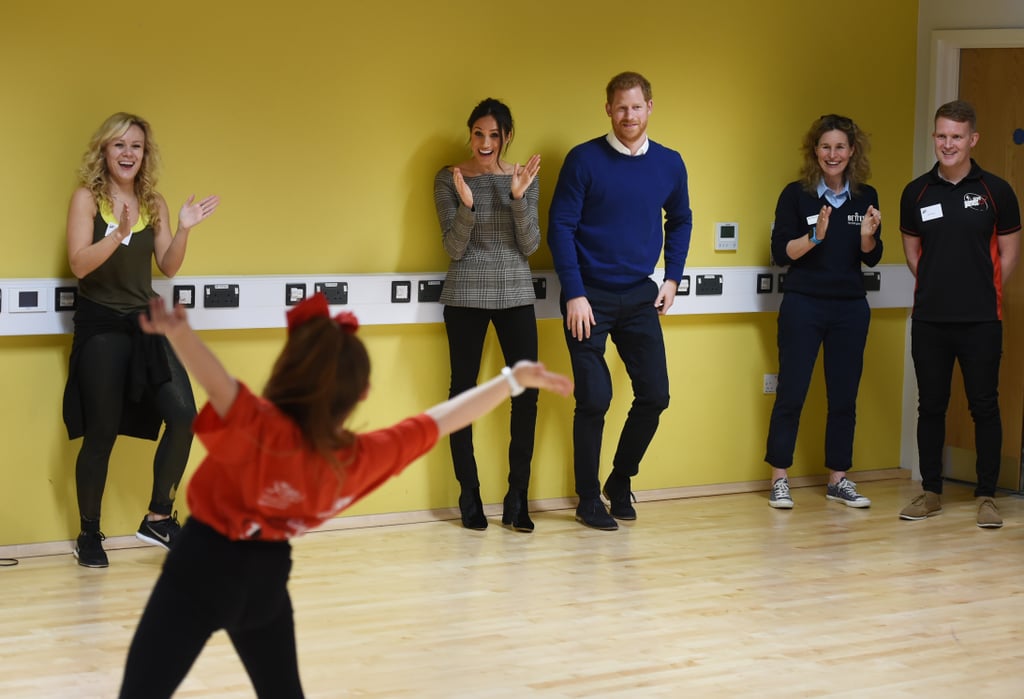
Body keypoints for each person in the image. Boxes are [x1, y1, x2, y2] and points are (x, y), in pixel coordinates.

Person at [117, 293, 572, 698]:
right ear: (358, 395)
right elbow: (441, 420)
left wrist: (179, 333)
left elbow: (219, 386)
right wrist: (511, 380)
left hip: (200, 569)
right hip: (264, 582)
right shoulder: (355, 460)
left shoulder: (260, 427)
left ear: (285, 372)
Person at [62, 112, 220, 568]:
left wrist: (185, 227)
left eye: (136, 146)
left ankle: (158, 516)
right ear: (104, 152)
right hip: (101, 323)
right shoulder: (86, 199)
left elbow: (168, 267)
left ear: (143, 154)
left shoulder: (154, 202)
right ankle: (89, 533)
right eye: (119, 145)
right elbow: (78, 264)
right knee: (102, 433)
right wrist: (119, 235)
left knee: (186, 416)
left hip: (145, 319)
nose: (128, 153)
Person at [547, 71, 692, 530]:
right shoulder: (583, 160)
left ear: (650, 107)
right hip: (588, 296)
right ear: (607, 109)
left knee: (656, 394)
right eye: (620, 107)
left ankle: (620, 480)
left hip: (639, 296)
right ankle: (588, 499)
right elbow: (560, 228)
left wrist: (672, 279)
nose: (629, 115)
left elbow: (682, 220)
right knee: (595, 398)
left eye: (636, 106)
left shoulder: (669, 163)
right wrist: (573, 293)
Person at [898, 100, 1021, 528]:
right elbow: (913, 254)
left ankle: (986, 494)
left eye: (956, 136)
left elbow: (1008, 255)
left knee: (984, 406)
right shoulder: (916, 192)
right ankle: (930, 491)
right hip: (930, 318)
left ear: (973, 139)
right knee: (930, 406)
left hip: (982, 319)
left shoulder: (996, 191)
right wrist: (938, 285)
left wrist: (976, 289)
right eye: (941, 136)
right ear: (934, 137)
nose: (947, 144)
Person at [433, 98, 543, 532]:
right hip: (465, 294)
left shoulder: (524, 178)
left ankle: (518, 498)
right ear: (471, 133)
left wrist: (517, 196)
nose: (484, 143)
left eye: (494, 135)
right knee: (464, 394)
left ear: (507, 136)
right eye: (478, 134)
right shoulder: (450, 178)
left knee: (526, 396)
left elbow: (530, 245)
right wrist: (467, 206)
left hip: (515, 291)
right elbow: (454, 248)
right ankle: (469, 493)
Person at [764, 114, 883, 510]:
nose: (833, 154)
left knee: (844, 396)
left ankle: (838, 479)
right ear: (815, 151)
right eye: (826, 146)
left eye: (840, 147)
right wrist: (816, 236)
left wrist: (867, 238)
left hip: (850, 307)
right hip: (804, 304)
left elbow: (872, 255)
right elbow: (781, 254)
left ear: (852, 152)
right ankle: (780, 476)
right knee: (792, 393)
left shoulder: (866, 197)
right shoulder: (795, 195)